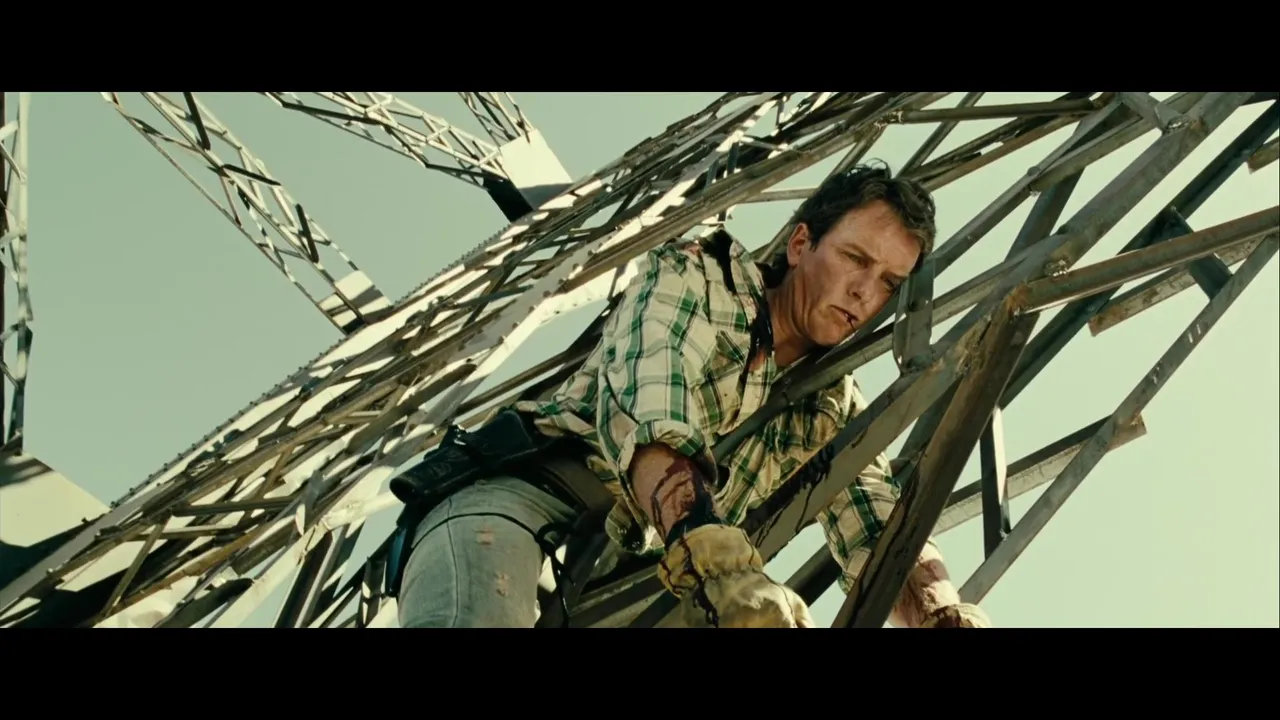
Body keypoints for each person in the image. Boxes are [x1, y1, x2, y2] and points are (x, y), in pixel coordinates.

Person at [387, 163, 992, 629]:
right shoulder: (698, 278)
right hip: (532, 506)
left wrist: (943, 612)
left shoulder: (832, 404)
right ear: (800, 244)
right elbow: (653, 409)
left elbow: (883, 534)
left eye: (888, 283)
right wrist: (720, 560)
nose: (864, 292)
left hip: (639, 585)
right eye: (855, 258)